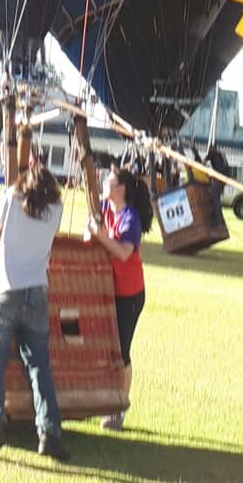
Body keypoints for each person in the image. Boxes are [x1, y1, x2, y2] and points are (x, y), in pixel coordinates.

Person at [0, 157, 68, 462]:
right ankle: (49, 432)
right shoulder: (56, 209)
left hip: (5, 289)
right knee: (39, 364)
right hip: (37, 291)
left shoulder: (10, 198)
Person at [89, 164, 153, 432]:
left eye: (109, 180)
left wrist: (101, 236)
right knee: (106, 348)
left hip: (128, 293)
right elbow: (90, 237)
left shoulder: (130, 217)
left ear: (121, 189)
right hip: (107, 290)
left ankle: (119, 407)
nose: (104, 182)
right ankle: (106, 400)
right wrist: (93, 232)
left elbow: (124, 252)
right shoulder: (104, 210)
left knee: (121, 350)